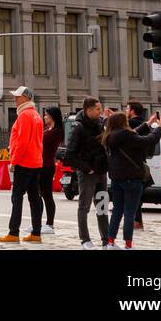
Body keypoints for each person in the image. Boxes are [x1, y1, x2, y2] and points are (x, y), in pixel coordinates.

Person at [103, 110, 161, 249]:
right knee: (130, 212)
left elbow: (134, 132)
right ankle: (128, 245)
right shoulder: (126, 136)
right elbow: (149, 140)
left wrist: (148, 123)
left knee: (117, 210)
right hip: (132, 179)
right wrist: (159, 128)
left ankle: (110, 242)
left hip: (116, 179)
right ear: (123, 123)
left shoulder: (111, 136)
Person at [63, 97, 110, 249]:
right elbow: (69, 155)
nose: (100, 112)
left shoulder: (100, 123)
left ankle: (106, 241)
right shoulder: (78, 127)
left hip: (101, 171)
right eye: (98, 109)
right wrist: (86, 168)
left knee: (102, 206)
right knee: (84, 207)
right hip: (87, 173)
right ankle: (85, 240)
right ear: (88, 110)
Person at [0, 86, 44, 244]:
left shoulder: (24, 116)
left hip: (24, 162)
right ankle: (36, 232)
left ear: (26, 98)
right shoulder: (36, 115)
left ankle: (13, 232)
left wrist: (14, 161)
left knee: (17, 197)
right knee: (34, 198)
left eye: (18, 96)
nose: (15, 99)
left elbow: (22, 142)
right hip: (35, 162)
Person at [125, 101, 151, 231]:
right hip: (141, 163)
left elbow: (126, 130)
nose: (125, 110)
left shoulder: (131, 124)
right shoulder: (145, 125)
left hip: (131, 165)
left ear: (132, 111)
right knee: (136, 195)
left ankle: (136, 222)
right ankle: (137, 222)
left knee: (131, 196)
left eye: (127, 108)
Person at [39, 106, 64, 236]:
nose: (44, 117)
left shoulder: (56, 131)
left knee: (47, 195)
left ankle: (50, 224)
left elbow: (40, 141)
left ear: (52, 116)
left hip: (47, 166)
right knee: (39, 195)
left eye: (46, 115)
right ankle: (38, 223)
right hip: (39, 164)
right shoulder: (46, 129)